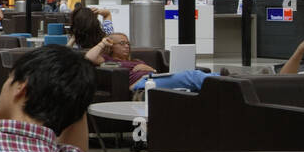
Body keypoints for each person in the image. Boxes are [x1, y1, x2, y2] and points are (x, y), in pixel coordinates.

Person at [84, 32, 215, 95]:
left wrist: (147, 68)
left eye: (128, 44)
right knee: (191, 76)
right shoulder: (109, 60)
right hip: (139, 85)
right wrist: (103, 43)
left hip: (153, 79)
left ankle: (222, 79)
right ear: (111, 46)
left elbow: (155, 73)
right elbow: (89, 57)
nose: (126, 46)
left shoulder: (136, 61)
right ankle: (222, 80)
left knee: (194, 81)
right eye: (122, 43)